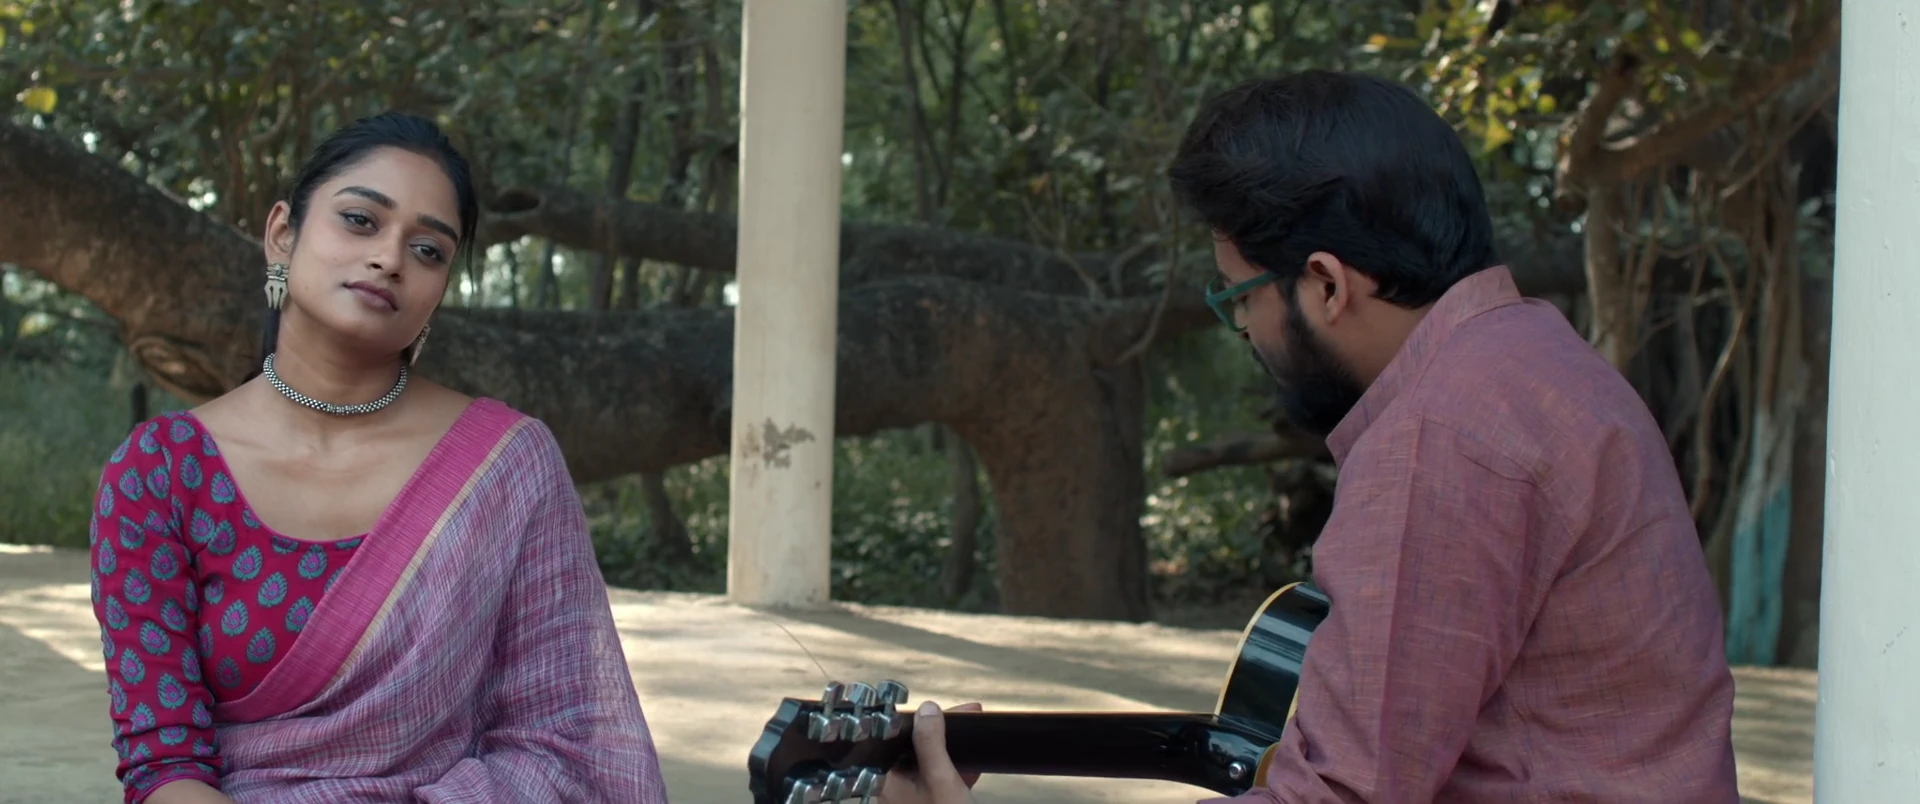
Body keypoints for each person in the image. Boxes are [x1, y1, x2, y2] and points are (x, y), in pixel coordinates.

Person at [883, 70, 1740, 803]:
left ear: (1327, 285)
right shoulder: (1538, 361)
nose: (1245, 330)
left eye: (1239, 297)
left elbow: (1340, 792)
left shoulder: (1441, 438)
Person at [86, 112, 669, 804]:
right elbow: (164, 763)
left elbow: (567, 742)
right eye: (361, 221)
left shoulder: (507, 465)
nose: (391, 258)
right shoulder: (160, 473)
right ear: (283, 234)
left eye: (428, 251)